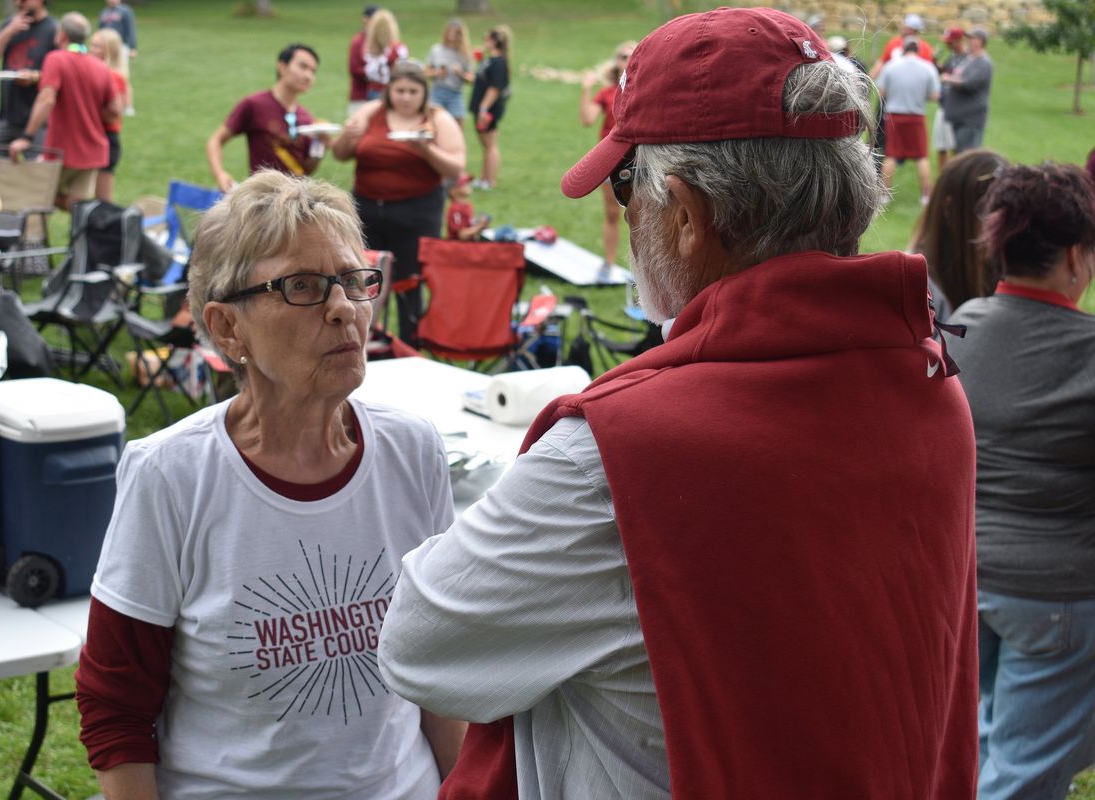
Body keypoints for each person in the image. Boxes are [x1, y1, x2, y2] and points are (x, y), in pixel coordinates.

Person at [378, 8, 978, 800]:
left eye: (627, 185)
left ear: (689, 217)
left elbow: (419, 643)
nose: (626, 215)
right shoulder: (929, 383)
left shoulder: (620, 452)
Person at [75, 170, 466, 800]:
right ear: (228, 329)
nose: (344, 308)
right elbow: (115, 705)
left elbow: (439, 668)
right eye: (303, 287)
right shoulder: (170, 477)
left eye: (354, 279)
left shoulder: (411, 451)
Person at [946, 163, 1095, 800]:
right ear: (1073, 256)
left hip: (965, 579)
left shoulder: (963, 326)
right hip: (1055, 596)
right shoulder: (1087, 350)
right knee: (1025, 771)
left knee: (977, 747)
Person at [332, 59, 464, 340]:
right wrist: (347, 137)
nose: (405, 97)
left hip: (416, 212)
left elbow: (455, 167)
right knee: (361, 277)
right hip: (367, 208)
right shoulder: (372, 112)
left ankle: (409, 342)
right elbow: (340, 153)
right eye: (400, 90)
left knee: (408, 283)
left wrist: (425, 150)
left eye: (412, 92)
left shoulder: (437, 119)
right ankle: (359, 340)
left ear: (424, 93)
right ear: (389, 90)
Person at [9, 12, 119, 211]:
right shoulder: (100, 66)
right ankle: (81, 241)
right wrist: (88, 110)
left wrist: (27, 136)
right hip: (93, 151)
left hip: (60, 152)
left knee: (35, 199)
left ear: (61, 35)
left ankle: (33, 242)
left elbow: (46, 98)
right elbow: (115, 110)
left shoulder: (56, 59)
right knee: (78, 209)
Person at [206, 43, 329, 193]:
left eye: (313, 71)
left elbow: (305, 170)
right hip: (261, 198)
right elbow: (216, 141)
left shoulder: (307, 118)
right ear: (282, 67)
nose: (308, 76)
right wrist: (220, 174)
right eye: (303, 67)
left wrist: (320, 149)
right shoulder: (254, 104)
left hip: (294, 200)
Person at [910, 148, 1007, 322]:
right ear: (950, 209)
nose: (1003, 227)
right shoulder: (919, 288)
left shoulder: (1002, 268)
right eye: (988, 212)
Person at [0, 0, 57, 178]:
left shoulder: (53, 29)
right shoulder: (10, 24)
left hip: (38, 120)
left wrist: (35, 77)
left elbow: (66, 71)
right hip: (6, 115)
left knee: (38, 177)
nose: (18, 3)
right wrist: (9, 30)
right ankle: (2, 204)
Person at [580, 40, 635, 267]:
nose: (628, 60)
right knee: (612, 213)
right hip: (609, 158)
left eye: (633, 55)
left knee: (640, 216)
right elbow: (587, 119)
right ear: (617, 62)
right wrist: (585, 89)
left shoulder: (646, 90)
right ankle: (610, 264)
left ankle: (642, 268)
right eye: (623, 56)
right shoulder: (607, 92)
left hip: (638, 158)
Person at [876, 38, 940, 205]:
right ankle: (926, 195)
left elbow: (881, 91)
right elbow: (934, 95)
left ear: (903, 49)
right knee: (921, 156)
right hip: (916, 116)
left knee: (891, 154)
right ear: (918, 50)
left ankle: (883, 194)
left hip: (894, 116)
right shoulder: (927, 67)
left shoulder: (891, 66)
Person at [469, 25, 511, 190]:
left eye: (487, 39)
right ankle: (483, 178)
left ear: (495, 41)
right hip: (481, 108)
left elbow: (495, 88)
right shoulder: (490, 60)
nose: (485, 42)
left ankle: (490, 180)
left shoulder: (499, 62)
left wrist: (484, 108)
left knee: (491, 145)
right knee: (485, 145)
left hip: (489, 110)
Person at [89, 28, 127, 203]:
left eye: (96, 46)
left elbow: (113, 115)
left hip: (106, 140)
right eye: (91, 44)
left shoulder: (114, 77)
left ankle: (106, 229)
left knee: (103, 201)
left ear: (109, 51)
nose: (90, 49)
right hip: (93, 138)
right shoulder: (96, 72)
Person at [942, 27, 993, 152]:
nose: (967, 41)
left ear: (979, 41)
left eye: (971, 38)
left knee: (967, 156)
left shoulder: (983, 62)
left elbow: (969, 83)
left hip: (970, 119)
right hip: (959, 118)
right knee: (959, 154)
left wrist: (948, 79)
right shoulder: (968, 59)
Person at [933, 27, 967, 172]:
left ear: (959, 41)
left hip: (957, 109)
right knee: (941, 146)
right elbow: (945, 72)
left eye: (950, 42)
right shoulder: (952, 58)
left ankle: (956, 176)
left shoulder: (968, 59)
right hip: (944, 106)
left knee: (955, 147)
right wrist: (936, 63)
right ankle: (944, 177)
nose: (947, 45)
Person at [426, 18, 473, 124]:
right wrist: (436, 73)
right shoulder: (436, 50)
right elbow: (425, 73)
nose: (451, 36)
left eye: (455, 33)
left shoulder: (465, 54)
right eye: (449, 32)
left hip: (455, 94)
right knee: (433, 124)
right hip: (437, 92)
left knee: (457, 125)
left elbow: (472, 79)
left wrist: (460, 73)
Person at [871, 12, 935, 78]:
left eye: (909, 28)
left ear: (916, 30)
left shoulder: (925, 47)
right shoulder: (894, 43)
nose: (904, 29)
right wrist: (870, 78)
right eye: (905, 26)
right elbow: (882, 61)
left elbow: (929, 70)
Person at [362, 9, 407, 100]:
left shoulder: (368, 48)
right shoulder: (398, 48)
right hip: (392, 89)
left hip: (373, 89)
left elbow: (368, 72)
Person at [346, 4, 378, 116]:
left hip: (378, 95)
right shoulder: (358, 42)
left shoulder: (381, 42)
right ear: (365, 19)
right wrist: (373, 74)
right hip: (361, 95)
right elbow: (354, 69)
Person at [445, 173, 488, 240]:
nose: (468, 185)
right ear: (453, 191)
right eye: (463, 184)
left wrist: (479, 223)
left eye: (467, 183)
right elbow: (462, 235)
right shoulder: (455, 209)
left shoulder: (467, 205)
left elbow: (468, 225)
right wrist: (479, 227)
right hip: (457, 247)